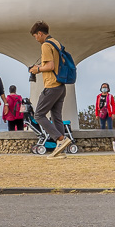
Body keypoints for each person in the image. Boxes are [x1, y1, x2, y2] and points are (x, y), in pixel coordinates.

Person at [28, 21, 73, 157]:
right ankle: (61, 151)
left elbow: (50, 66)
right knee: (56, 117)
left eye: (35, 36)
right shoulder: (56, 42)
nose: (36, 39)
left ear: (40, 33)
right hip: (61, 86)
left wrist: (37, 69)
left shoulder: (46, 45)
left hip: (52, 86)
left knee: (39, 115)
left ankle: (60, 139)